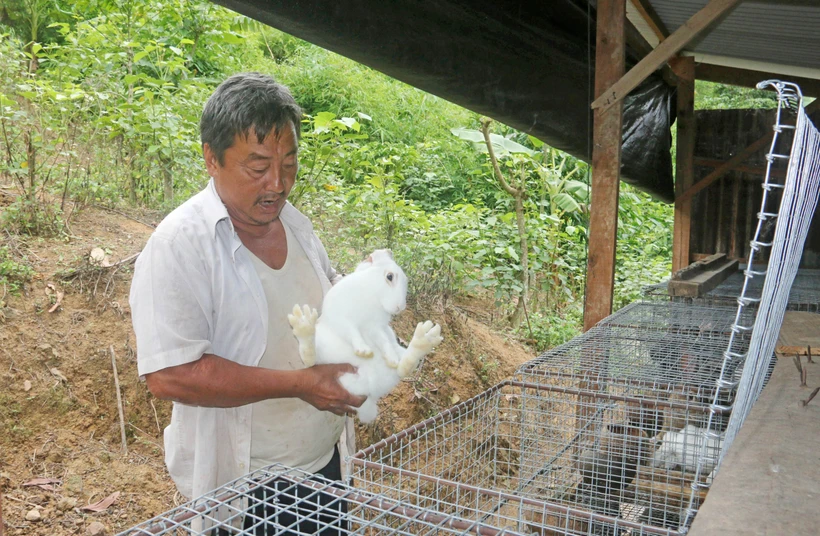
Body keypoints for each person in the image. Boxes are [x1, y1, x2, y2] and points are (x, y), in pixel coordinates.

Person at [129, 72, 365, 534]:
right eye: (257, 168)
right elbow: (170, 375)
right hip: (246, 489)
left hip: (324, 467)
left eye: (290, 164)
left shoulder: (295, 225)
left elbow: (327, 298)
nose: (277, 184)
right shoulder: (180, 245)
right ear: (211, 159)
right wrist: (301, 384)